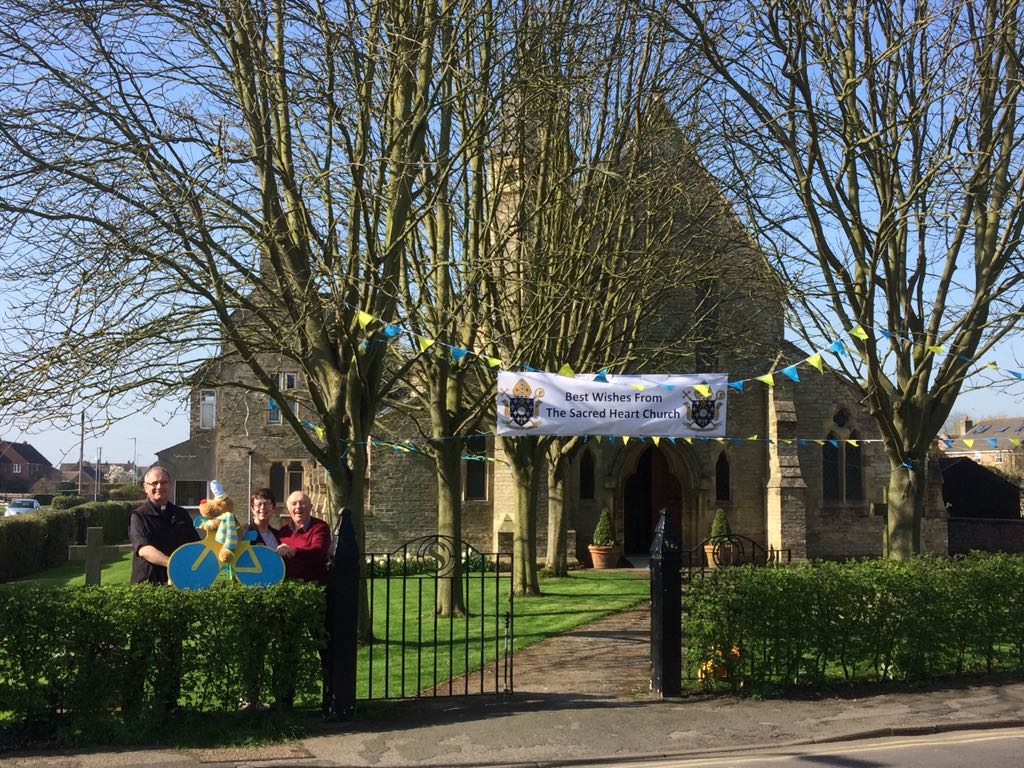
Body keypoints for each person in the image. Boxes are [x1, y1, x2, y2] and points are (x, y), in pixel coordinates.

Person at [129, 466, 199, 585]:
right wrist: (173, 566)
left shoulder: (181, 514)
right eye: (154, 483)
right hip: (148, 586)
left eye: (164, 482)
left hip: (179, 583)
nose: (159, 487)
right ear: (146, 487)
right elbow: (144, 549)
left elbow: (194, 546)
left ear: (170, 485)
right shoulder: (138, 516)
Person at [276, 491, 331, 585]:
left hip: (313, 586)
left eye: (302, 503)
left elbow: (318, 550)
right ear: (287, 509)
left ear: (311, 507)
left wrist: (294, 552)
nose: (298, 506)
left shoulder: (319, 527)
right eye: (294, 504)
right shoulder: (283, 532)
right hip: (287, 586)